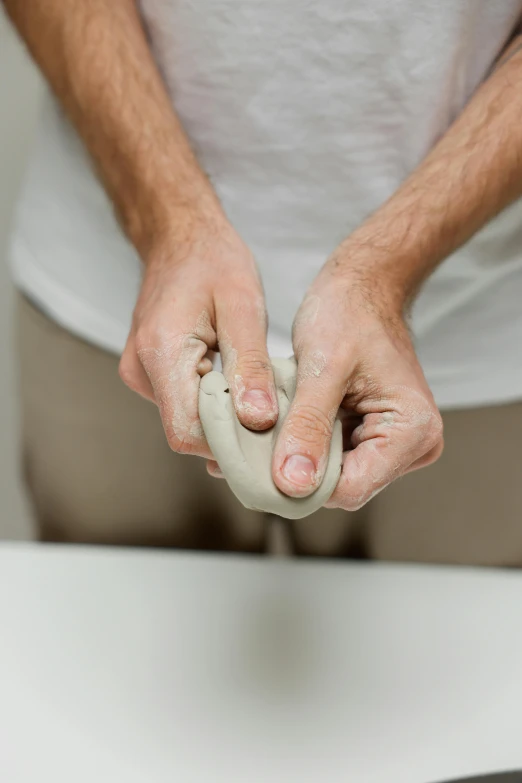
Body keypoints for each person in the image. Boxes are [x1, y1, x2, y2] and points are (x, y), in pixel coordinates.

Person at [3, 0, 522, 563]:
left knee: (440, 637)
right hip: (117, 301)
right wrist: (167, 219)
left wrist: (388, 267)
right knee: (124, 622)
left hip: (477, 337)